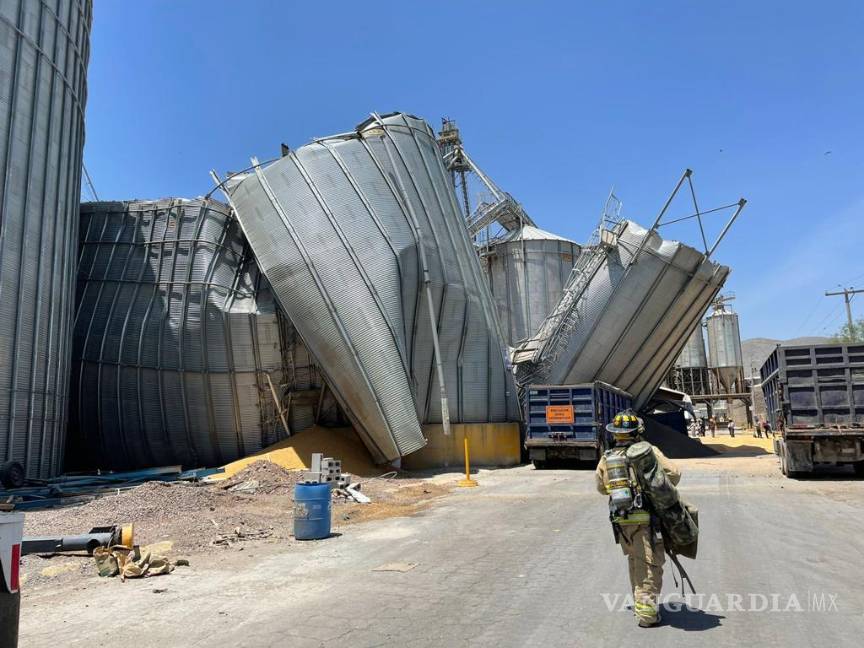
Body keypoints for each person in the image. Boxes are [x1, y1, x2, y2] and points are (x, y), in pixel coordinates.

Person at [596, 410, 681, 628]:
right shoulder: (647, 451)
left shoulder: (608, 458)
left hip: (622, 522)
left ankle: (640, 605)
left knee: (635, 561)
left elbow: (601, 488)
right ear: (637, 432)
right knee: (650, 565)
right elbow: (674, 473)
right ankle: (647, 615)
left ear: (615, 433)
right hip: (646, 519)